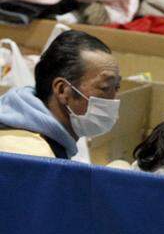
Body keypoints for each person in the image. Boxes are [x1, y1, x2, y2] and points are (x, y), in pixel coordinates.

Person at [0, 30, 121, 158]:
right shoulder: (34, 155)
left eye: (117, 87)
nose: (113, 100)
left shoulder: (49, 140)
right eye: (105, 87)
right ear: (63, 90)